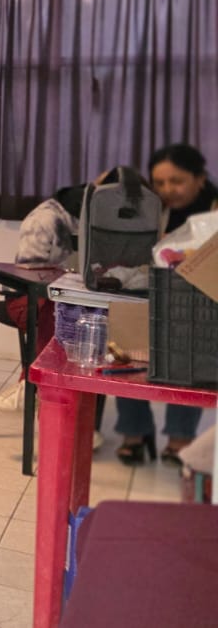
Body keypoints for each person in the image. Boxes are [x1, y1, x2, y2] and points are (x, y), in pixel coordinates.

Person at [115, 143, 217, 465]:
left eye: (176, 181)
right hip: (154, 296)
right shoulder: (155, 209)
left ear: (199, 178)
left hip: (202, 306)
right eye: (158, 183)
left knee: (187, 361)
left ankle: (179, 438)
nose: (166, 190)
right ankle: (135, 432)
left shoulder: (214, 208)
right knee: (127, 350)